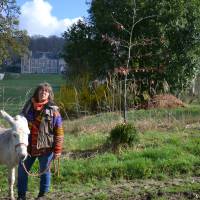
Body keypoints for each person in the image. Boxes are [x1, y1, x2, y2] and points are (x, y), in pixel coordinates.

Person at [17, 82, 64, 200]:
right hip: (28, 147)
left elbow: (59, 131)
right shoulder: (28, 107)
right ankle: (21, 195)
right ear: (37, 92)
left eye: (46, 91)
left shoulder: (54, 111)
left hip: (46, 148)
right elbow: (20, 123)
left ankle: (42, 195)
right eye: (41, 91)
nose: (44, 93)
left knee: (44, 172)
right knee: (22, 171)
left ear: (49, 94)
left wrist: (57, 150)